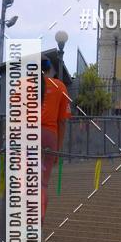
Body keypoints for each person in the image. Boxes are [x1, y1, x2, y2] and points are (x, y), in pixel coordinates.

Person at [41, 57, 71, 220]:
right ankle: (38, 226)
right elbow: (62, 121)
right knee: (43, 184)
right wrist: (58, 150)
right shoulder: (60, 86)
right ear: (50, 70)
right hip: (49, 135)